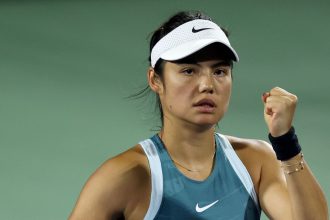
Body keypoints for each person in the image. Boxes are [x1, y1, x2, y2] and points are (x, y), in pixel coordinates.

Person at [69, 11, 328, 220]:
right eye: (189, 71)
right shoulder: (125, 177)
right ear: (155, 80)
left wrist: (285, 141)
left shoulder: (255, 162)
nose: (207, 85)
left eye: (219, 71)